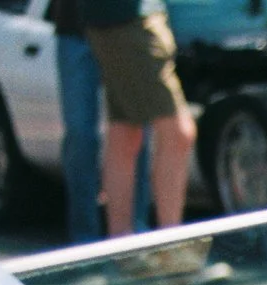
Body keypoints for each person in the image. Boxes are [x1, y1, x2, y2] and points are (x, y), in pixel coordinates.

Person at [84, 0, 193, 236]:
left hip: (129, 18)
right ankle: (172, 247)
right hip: (126, 21)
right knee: (178, 132)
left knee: (125, 133)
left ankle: (123, 249)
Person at [51, 0, 105, 242]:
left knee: (133, 131)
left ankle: (134, 234)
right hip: (74, 29)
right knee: (80, 135)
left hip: (124, 27)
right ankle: (84, 239)